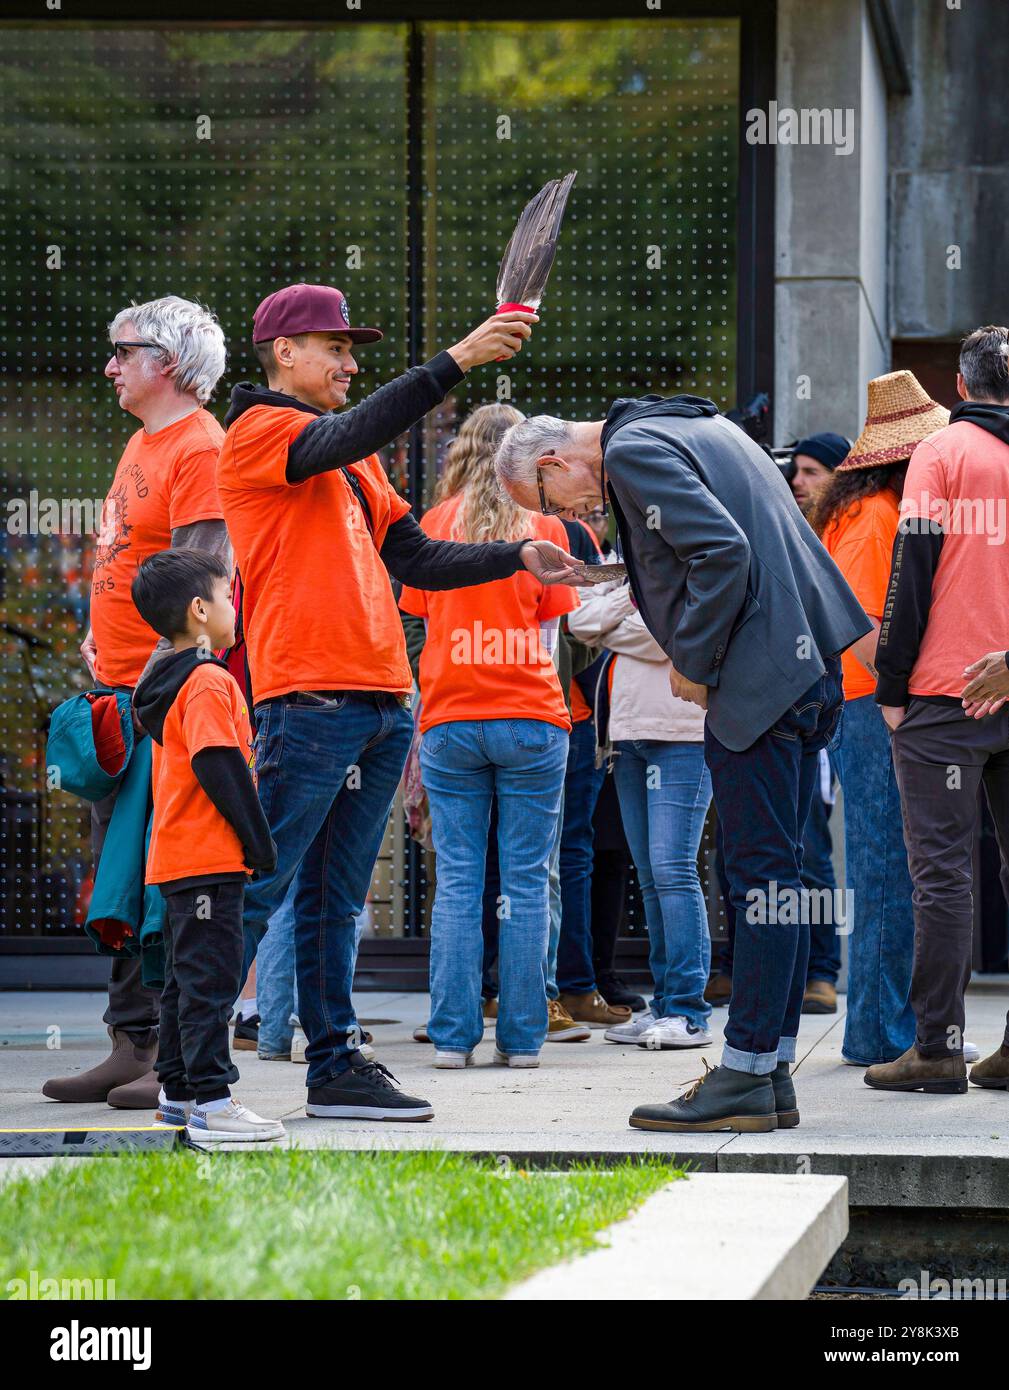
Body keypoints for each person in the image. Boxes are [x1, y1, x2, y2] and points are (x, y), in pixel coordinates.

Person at [217, 284, 582, 1121]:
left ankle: (336, 1067)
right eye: (334, 348)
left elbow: (414, 556)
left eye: (354, 352)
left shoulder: (350, 454)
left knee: (336, 901)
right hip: (307, 696)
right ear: (283, 354)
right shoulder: (260, 432)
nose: (350, 363)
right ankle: (194, 1071)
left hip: (384, 698)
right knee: (264, 888)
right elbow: (350, 430)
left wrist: (519, 553)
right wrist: (457, 360)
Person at [495, 395, 869, 1131]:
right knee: (781, 879)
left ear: (551, 463)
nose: (567, 514)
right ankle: (769, 1077)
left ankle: (744, 1074)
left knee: (758, 877)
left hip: (759, 679)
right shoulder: (697, 426)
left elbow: (720, 553)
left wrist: (692, 659)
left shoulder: (633, 453)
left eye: (546, 500)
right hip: (807, 665)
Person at [43, 296, 231, 1111]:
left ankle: (175, 1051)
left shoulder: (200, 447)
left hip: (163, 701)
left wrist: (155, 672)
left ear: (170, 361)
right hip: (119, 693)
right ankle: (130, 1044)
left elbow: (198, 583)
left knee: (168, 882)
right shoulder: (140, 442)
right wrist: (96, 639)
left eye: (124, 351)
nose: (111, 365)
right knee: (121, 879)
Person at [399, 403, 577, 1067]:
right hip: (530, 714)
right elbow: (553, 634)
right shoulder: (542, 527)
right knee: (528, 879)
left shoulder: (433, 527)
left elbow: (414, 623)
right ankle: (524, 1038)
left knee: (459, 882)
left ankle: (451, 1038)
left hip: (450, 717)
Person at [869, 327, 1009, 1095]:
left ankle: (936, 1050)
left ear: (958, 388)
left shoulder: (941, 453)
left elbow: (909, 572)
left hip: (943, 697)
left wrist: (891, 688)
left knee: (943, 881)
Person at [811, 372, 949, 1066]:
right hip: (872, 703)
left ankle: (883, 1029)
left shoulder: (866, 508)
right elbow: (862, 626)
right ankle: (880, 1034)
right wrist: (902, 699)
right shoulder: (871, 517)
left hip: (866, 702)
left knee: (885, 868)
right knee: (888, 870)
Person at [131, 550, 283, 1141]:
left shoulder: (166, 679)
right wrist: (259, 845)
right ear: (200, 610)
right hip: (209, 860)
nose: (234, 606)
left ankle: (176, 1093)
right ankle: (215, 1104)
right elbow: (221, 765)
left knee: (181, 983)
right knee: (212, 984)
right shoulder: (209, 680)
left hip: (175, 861)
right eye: (227, 595)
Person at [567, 576, 713, 1049]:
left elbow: (669, 634)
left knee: (673, 872)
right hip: (626, 735)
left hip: (683, 733)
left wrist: (617, 621)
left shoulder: (696, 563)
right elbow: (578, 619)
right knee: (650, 877)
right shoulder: (629, 569)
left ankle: (689, 1011)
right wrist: (630, 605)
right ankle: (666, 1004)